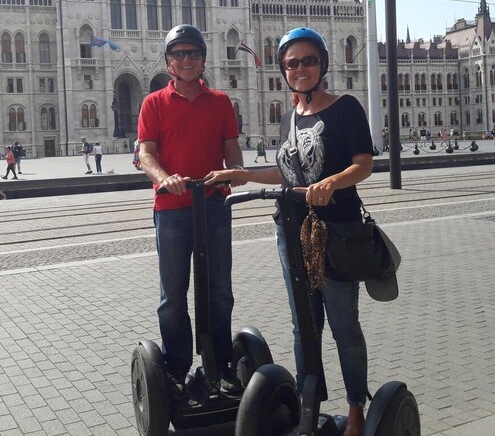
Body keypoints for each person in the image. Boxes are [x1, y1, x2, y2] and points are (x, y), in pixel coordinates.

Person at [205, 27, 374, 436]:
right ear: (284, 69)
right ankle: (309, 404)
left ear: (322, 64)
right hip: (291, 232)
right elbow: (287, 171)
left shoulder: (346, 108)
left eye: (308, 60)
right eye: (292, 63)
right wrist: (243, 174)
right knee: (304, 324)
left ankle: (355, 408)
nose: (300, 69)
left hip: (335, 231)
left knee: (343, 323)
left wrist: (332, 182)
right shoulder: (289, 117)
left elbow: (363, 163)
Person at [136, 24, 245, 399]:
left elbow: (234, 157)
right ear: (169, 61)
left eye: (193, 53)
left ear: (203, 59)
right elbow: (145, 154)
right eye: (179, 54)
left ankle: (221, 364)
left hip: (213, 206)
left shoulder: (220, 103)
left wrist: (231, 173)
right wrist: (165, 178)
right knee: (173, 295)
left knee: (220, 291)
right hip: (172, 210)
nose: (186, 60)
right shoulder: (153, 103)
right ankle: (177, 367)